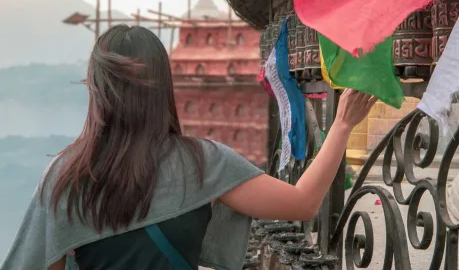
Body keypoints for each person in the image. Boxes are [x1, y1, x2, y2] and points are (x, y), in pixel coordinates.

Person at [1, 25, 376, 270]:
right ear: (165, 86)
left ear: (97, 91)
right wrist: (342, 125)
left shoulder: (66, 177)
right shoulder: (203, 163)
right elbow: (302, 203)